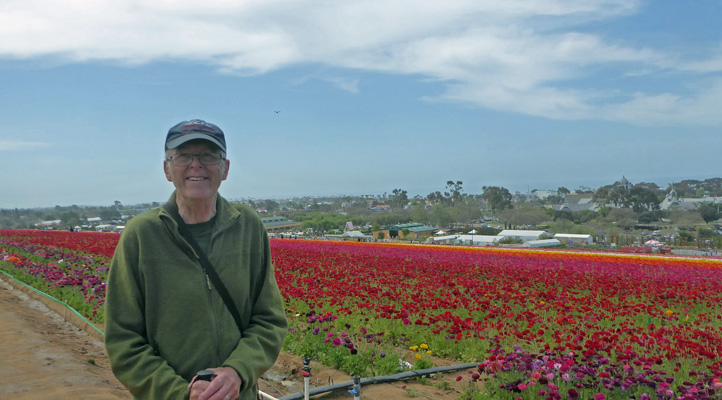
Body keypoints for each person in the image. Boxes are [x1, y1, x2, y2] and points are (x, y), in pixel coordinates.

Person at [104, 119, 288, 400]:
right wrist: (182, 393)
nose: (196, 165)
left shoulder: (247, 226)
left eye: (208, 156)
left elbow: (269, 320)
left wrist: (236, 372)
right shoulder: (141, 235)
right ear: (167, 168)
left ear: (225, 168)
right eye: (184, 156)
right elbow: (124, 340)